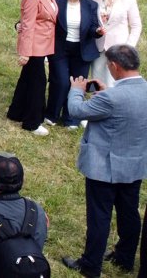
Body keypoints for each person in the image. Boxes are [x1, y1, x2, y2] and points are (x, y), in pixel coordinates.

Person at [62, 44, 147, 277]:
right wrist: (105, 91)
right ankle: (125, 258)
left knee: (99, 217)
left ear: (114, 65)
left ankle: (91, 265)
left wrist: (77, 89)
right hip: (134, 165)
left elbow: (77, 110)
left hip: (104, 168)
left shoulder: (111, 97)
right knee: (129, 214)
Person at [8, 0, 59, 135]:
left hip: (44, 44)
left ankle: (16, 112)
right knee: (38, 83)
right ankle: (32, 122)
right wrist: (25, 52)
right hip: (34, 46)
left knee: (27, 79)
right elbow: (28, 25)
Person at [48, 0, 105, 129]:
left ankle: (71, 118)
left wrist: (98, 31)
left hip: (82, 50)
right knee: (60, 82)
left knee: (78, 84)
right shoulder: (56, 2)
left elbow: (93, 27)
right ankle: (51, 114)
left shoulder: (90, 5)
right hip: (60, 49)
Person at [92, 0, 141, 88]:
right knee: (97, 79)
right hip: (98, 47)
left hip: (118, 48)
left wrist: (128, 46)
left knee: (114, 82)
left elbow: (136, 25)